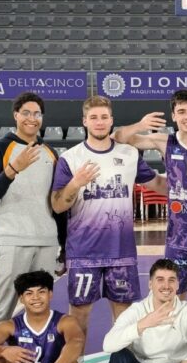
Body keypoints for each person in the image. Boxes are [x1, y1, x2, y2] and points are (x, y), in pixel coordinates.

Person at [50, 95, 168, 336]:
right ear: (84, 121)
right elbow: (58, 205)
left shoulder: (129, 154)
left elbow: (157, 183)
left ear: (111, 120)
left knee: (124, 318)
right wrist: (75, 183)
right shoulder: (70, 158)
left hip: (121, 251)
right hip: (83, 252)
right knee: (79, 316)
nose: (100, 122)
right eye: (94, 117)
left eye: (104, 117)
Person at [0, 92, 62, 363]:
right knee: (2, 310)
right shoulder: (0, 148)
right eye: (26, 112)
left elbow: (57, 204)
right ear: (16, 115)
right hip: (11, 238)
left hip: (45, 240)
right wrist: (12, 169)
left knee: (40, 309)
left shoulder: (51, 153)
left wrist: (63, 244)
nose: (32, 118)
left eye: (37, 113)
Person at [114, 89, 187, 313]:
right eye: (181, 111)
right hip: (178, 238)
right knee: (175, 297)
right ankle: (179, 342)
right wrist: (140, 125)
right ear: (174, 116)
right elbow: (119, 138)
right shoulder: (164, 141)